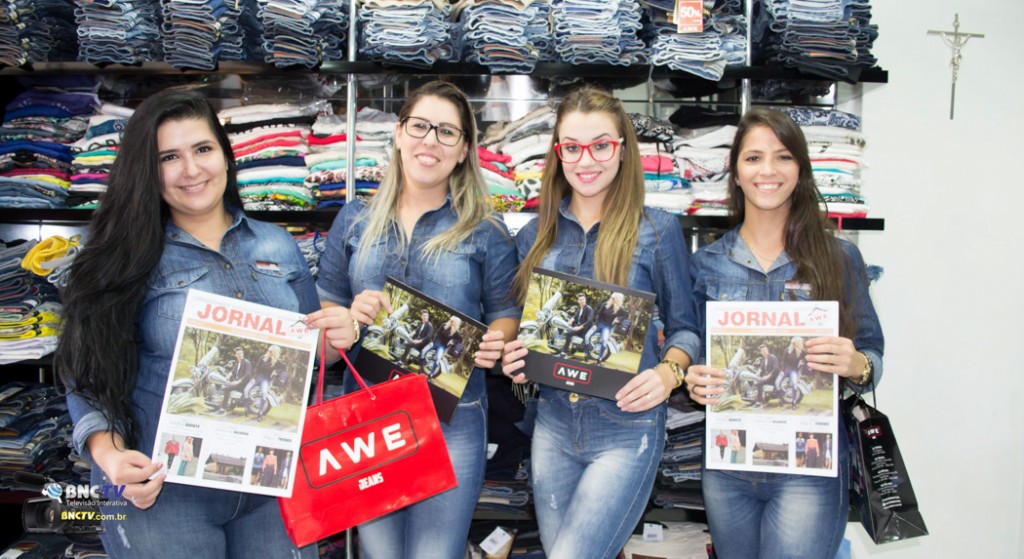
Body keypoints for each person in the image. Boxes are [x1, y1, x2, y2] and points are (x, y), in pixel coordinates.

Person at [56, 90, 356, 559]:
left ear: (225, 155)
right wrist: (110, 456)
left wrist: (338, 336)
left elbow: (311, 357)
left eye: (202, 149)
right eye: (169, 157)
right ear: (145, 170)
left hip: (271, 486)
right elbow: (86, 372)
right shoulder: (120, 257)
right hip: (162, 491)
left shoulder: (278, 244)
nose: (192, 170)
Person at [311, 80, 520, 559]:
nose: (431, 141)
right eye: (420, 126)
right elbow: (325, 317)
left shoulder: (485, 229)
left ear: (464, 150)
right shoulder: (354, 219)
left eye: (447, 132)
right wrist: (347, 319)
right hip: (368, 413)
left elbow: (506, 314)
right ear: (399, 133)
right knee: (380, 553)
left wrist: (496, 339)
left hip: (454, 416)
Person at [501, 86, 701, 559]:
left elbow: (687, 328)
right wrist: (514, 358)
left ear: (623, 149)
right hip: (552, 425)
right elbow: (522, 330)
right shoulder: (534, 235)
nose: (585, 160)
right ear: (557, 153)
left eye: (601, 145)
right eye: (572, 147)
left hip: (627, 426)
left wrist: (669, 373)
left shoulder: (656, 230)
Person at [684, 108, 884, 559]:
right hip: (729, 465)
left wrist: (856, 363)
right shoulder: (705, 264)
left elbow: (872, 355)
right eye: (753, 158)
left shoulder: (839, 258)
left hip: (809, 466)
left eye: (783, 157)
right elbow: (690, 351)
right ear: (736, 172)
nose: (768, 170)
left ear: (801, 168)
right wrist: (692, 379)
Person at [583, 292, 627, 366]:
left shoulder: (620, 309)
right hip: (598, 324)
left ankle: (599, 359)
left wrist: (618, 320)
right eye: (611, 297)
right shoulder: (605, 304)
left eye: (613, 298)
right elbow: (598, 314)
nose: (611, 299)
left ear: (617, 300)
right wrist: (595, 324)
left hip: (607, 327)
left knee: (604, 342)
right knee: (587, 336)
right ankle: (586, 354)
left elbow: (624, 317)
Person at [217, 347, 253, 415]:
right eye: (238, 354)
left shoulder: (247, 362)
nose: (239, 355)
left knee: (226, 389)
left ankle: (223, 409)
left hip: (244, 383)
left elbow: (248, 374)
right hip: (238, 382)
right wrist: (228, 375)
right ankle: (229, 405)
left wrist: (238, 381)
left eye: (241, 353)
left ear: (243, 354)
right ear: (235, 355)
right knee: (226, 384)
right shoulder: (238, 363)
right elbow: (233, 371)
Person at [251, 345, 282, 422]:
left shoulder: (277, 361)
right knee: (246, 388)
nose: (269, 352)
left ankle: (260, 413)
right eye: (269, 351)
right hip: (258, 377)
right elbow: (257, 367)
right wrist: (254, 378)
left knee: (264, 394)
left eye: (271, 351)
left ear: (275, 352)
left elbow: (282, 369)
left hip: (266, 379)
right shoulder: (263, 357)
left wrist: (276, 372)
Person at [557, 293, 593, 357]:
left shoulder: (589, 309)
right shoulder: (580, 308)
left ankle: (564, 352)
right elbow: (576, 316)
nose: (582, 301)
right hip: (578, 325)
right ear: (578, 301)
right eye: (580, 300)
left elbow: (589, 321)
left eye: (583, 299)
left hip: (583, 328)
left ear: (585, 300)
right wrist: (571, 320)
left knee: (569, 334)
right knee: (564, 326)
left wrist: (579, 328)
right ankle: (570, 348)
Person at [752, 344, 781, 408]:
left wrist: (768, 376)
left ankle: (759, 401)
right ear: (761, 352)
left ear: (768, 350)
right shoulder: (764, 359)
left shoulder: (773, 358)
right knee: (758, 381)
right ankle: (764, 398)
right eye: (763, 350)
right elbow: (762, 367)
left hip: (774, 377)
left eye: (765, 350)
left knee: (759, 384)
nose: (765, 351)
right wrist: (758, 371)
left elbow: (776, 368)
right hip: (769, 377)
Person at [782, 336, 807, 410]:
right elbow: (783, 361)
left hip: (794, 370)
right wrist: (782, 370)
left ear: (798, 344)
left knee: (794, 384)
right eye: (792, 343)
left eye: (794, 343)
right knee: (778, 381)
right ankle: (779, 398)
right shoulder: (787, 350)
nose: (792, 344)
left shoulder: (802, 352)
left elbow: (806, 360)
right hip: (786, 368)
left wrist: (803, 362)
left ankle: (794, 402)